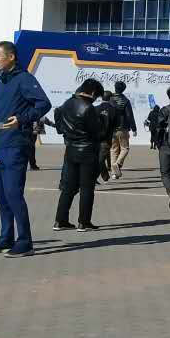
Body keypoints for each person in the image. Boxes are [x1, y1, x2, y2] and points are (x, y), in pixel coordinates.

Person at [0, 41, 52, 259]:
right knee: (1, 196)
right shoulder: (1, 80)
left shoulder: (24, 78)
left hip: (15, 144)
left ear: (11, 57)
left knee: (13, 193)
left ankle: (25, 241)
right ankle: (6, 238)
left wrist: (22, 118)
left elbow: (44, 104)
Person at [53, 79, 108, 232]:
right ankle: (84, 222)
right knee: (87, 188)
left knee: (68, 187)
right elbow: (98, 132)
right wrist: (103, 121)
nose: (95, 99)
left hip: (70, 149)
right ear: (92, 92)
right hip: (87, 151)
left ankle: (60, 220)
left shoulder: (67, 103)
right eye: (96, 96)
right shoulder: (88, 108)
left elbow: (59, 123)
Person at [108, 80, 137, 178]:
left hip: (112, 129)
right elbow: (129, 116)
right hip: (122, 128)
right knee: (125, 148)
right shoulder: (125, 101)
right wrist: (134, 128)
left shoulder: (110, 99)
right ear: (124, 89)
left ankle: (114, 173)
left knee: (113, 150)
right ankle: (118, 163)